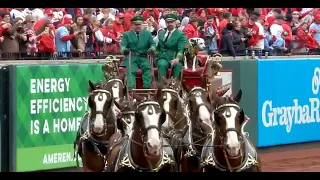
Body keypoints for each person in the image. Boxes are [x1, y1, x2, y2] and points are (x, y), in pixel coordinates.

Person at [120, 15, 156, 89]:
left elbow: (153, 44)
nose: (138, 26)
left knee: (147, 68)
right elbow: (122, 46)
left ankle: (146, 88)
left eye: (139, 24)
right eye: (136, 24)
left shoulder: (147, 33)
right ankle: (131, 89)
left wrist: (152, 49)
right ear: (132, 25)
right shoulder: (127, 34)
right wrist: (124, 50)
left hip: (144, 57)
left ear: (142, 24)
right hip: (132, 56)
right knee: (131, 70)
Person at [155, 13, 187, 83]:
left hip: (174, 57)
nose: (169, 24)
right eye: (167, 22)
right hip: (162, 57)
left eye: (171, 22)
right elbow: (157, 48)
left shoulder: (181, 35)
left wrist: (178, 58)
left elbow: (181, 49)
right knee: (161, 64)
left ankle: (176, 87)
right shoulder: (161, 34)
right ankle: (162, 87)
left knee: (178, 66)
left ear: (175, 22)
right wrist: (156, 56)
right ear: (165, 23)